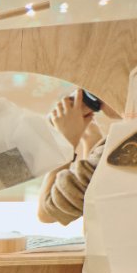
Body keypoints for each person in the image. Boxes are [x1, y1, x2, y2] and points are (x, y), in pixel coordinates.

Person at [37, 91, 109, 226]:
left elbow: (48, 212)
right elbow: (92, 203)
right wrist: (92, 142)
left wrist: (65, 142)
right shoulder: (134, 134)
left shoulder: (119, 146)